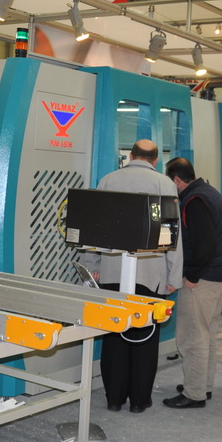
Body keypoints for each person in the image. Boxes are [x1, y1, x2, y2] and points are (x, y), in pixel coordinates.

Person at [82, 140, 183, 414]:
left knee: (114, 335)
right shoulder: (164, 184)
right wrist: (174, 276)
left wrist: (93, 264)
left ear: (130, 156)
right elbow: (172, 236)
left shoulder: (108, 180)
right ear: (155, 160)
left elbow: (93, 228)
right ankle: (139, 401)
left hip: (112, 272)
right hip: (151, 275)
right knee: (145, 338)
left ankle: (114, 399)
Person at [162, 157, 222, 408]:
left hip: (203, 279)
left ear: (176, 180)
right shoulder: (209, 192)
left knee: (193, 338)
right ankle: (202, 385)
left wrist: (191, 276)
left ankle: (193, 393)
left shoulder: (194, 201)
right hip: (218, 276)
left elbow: (204, 246)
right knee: (207, 336)